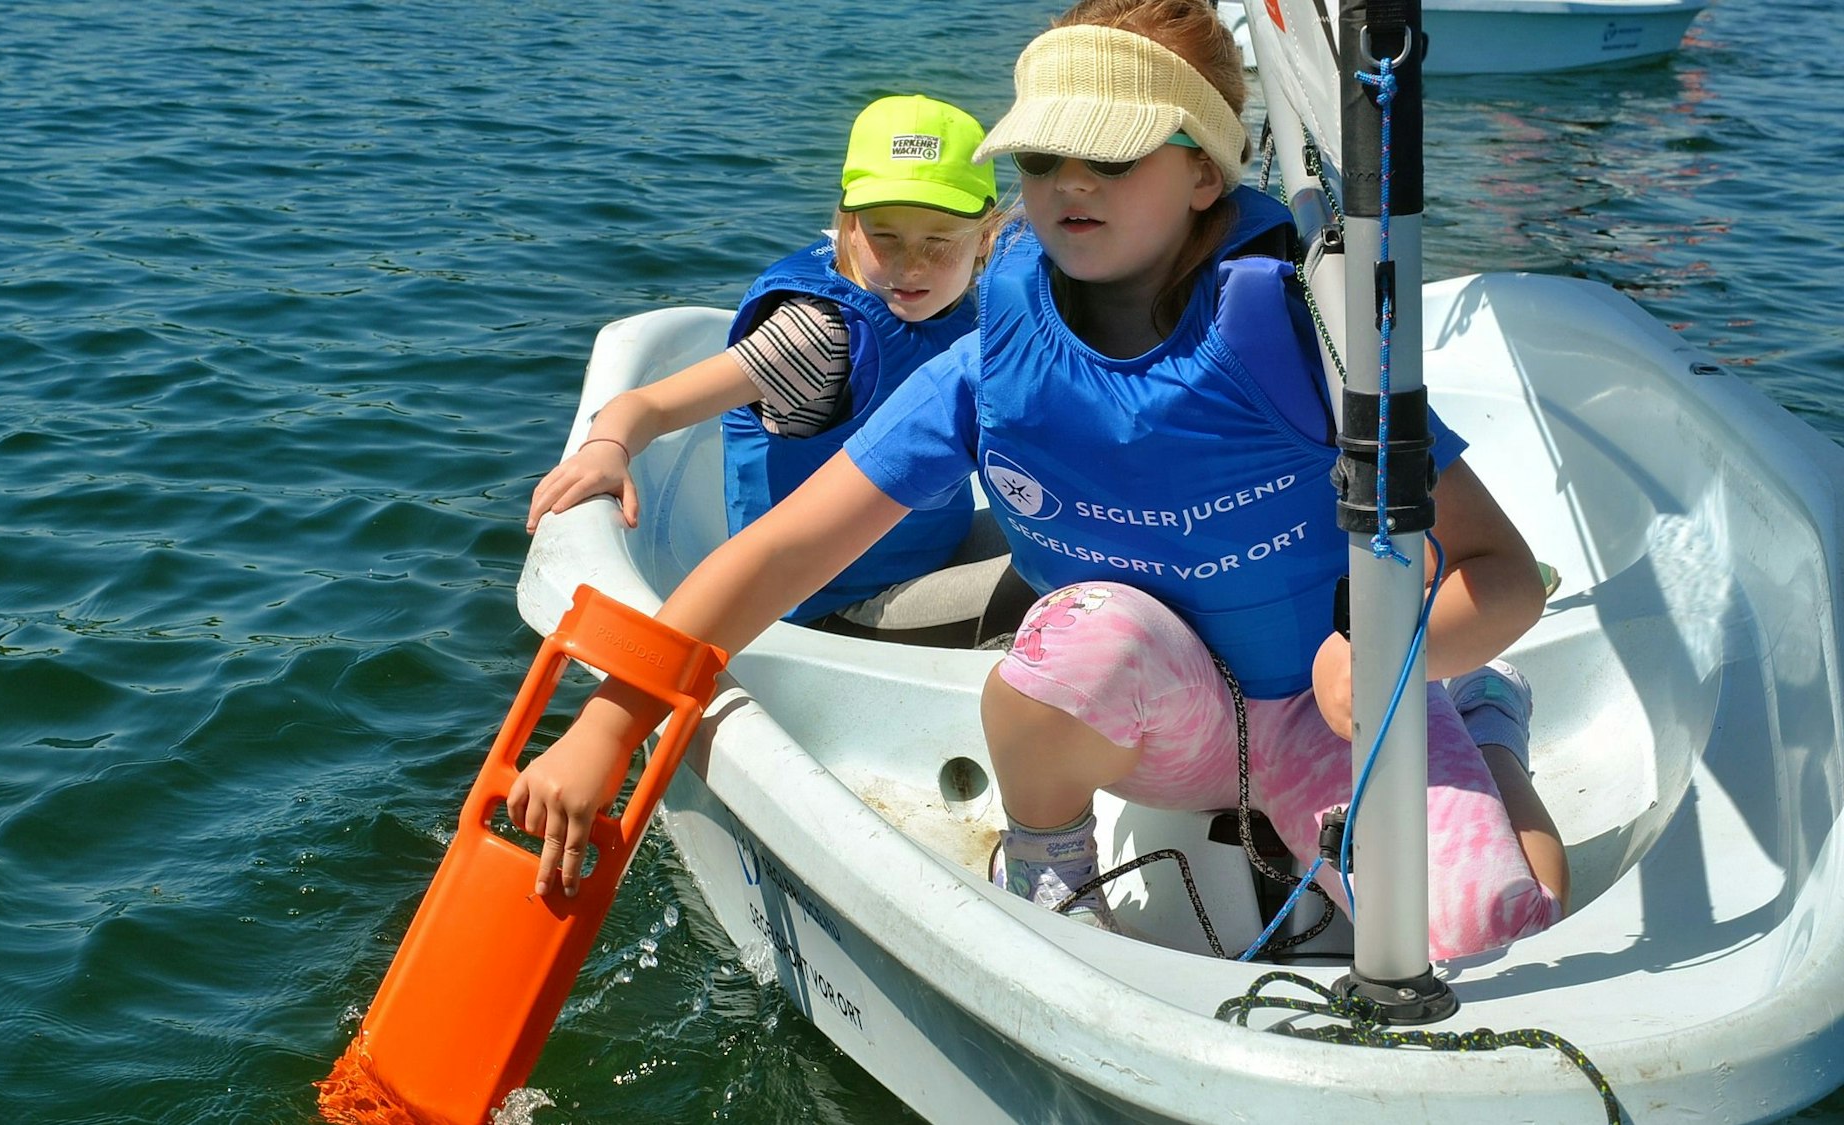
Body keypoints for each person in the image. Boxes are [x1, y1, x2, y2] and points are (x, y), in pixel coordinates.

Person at [511, 0, 1566, 961]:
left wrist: (1398, 659)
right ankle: (1050, 863)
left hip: (1324, 709)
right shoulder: (988, 367)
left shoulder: (1313, 341)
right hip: (1155, 721)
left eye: (1109, 159)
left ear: (1205, 172)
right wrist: (606, 726)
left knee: (1490, 941)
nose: (1068, 183)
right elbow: (781, 552)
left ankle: (1483, 728)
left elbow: (1503, 572)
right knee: (1078, 633)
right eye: (1042, 156)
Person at [526, 94, 1015, 642]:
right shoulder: (817, 336)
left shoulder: (966, 307)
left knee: (1096, 537)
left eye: (939, 242)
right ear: (850, 228)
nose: (910, 264)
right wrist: (606, 449)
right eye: (886, 236)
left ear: (986, 241)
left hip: (928, 548)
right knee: (1086, 585)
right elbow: (647, 404)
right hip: (841, 605)